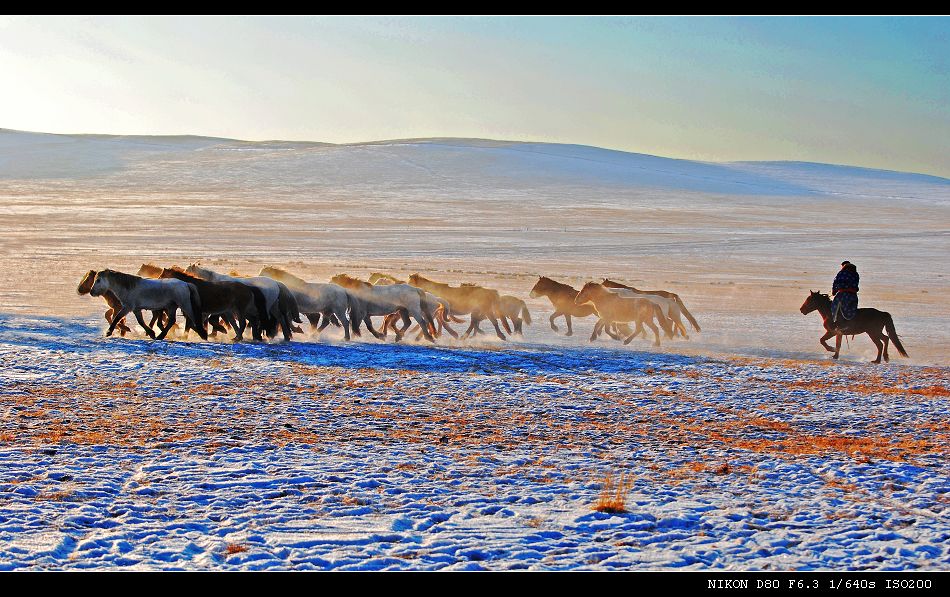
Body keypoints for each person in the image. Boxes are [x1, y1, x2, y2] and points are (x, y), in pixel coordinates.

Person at [831, 261, 859, 327]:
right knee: (852, 308)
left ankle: (837, 324)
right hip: (853, 296)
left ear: (844, 266)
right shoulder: (856, 274)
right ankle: (850, 321)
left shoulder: (842, 273)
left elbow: (836, 282)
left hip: (843, 295)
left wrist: (834, 291)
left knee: (835, 307)